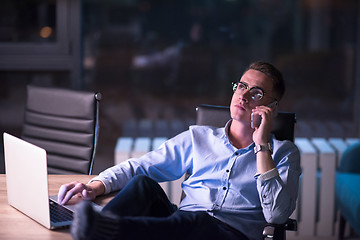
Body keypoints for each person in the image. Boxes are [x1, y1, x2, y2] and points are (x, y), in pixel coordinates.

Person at [58, 61, 301, 240]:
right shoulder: (199, 137)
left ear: (271, 108)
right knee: (143, 184)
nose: (244, 95)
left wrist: (261, 146)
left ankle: (106, 230)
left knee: (198, 221)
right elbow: (142, 165)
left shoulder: (283, 153)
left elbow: (277, 215)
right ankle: (93, 230)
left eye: (256, 93)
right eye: (242, 86)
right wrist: (97, 185)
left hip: (229, 234)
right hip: (181, 226)